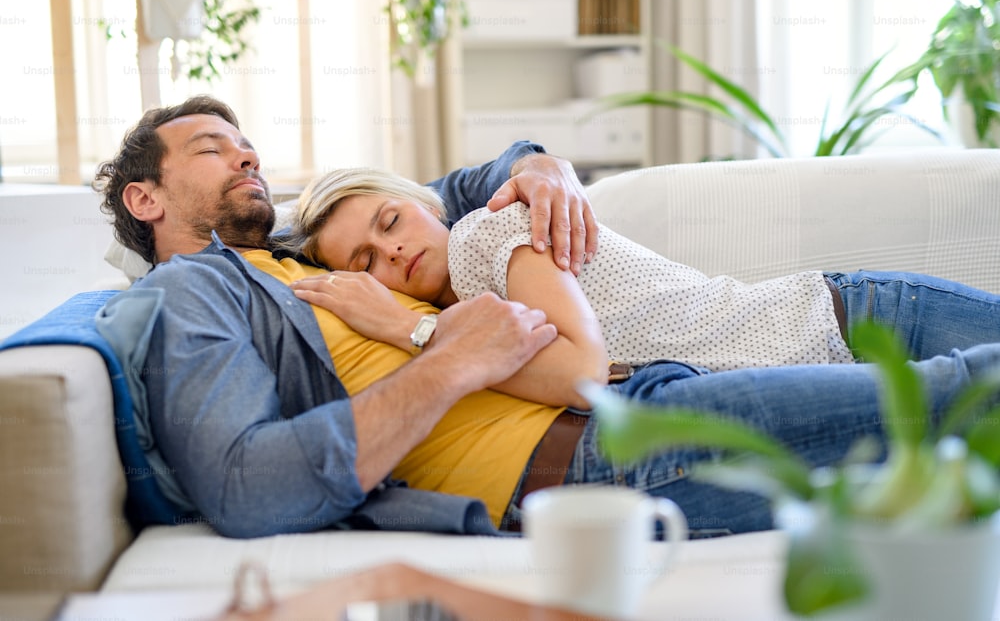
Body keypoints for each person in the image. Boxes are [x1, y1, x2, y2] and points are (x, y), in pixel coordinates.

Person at [94, 95, 1000, 541]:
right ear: (145, 195)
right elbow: (249, 486)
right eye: (214, 151)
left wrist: (542, 166)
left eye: (248, 147)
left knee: (948, 422)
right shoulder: (188, 296)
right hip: (591, 461)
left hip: (634, 405)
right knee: (950, 404)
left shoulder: (301, 250)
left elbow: (448, 199)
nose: (247, 158)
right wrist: (446, 359)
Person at [281, 167, 1000, 405]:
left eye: (389, 219)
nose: (392, 249)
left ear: (424, 201)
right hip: (822, 358)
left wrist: (410, 331)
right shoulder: (474, 312)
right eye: (364, 260)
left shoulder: (481, 236)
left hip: (848, 321)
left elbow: (583, 370)